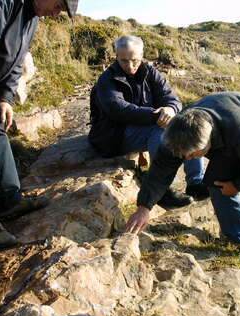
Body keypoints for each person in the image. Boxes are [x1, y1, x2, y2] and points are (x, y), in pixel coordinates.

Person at [0, 0, 79, 316]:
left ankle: (9, 199)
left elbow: (14, 59)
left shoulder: (32, 14)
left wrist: (5, 97)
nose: (57, 12)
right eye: (58, 4)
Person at [124, 91, 240, 275]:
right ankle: (239, 240)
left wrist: (238, 185)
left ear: (208, 142)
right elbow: (159, 171)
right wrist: (144, 207)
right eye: (184, 156)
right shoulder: (177, 132)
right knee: (217, 184)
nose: (188, 158)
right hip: (228, 127)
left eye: (193, 155)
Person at [88, 35, 208, 208]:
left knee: (185, 122)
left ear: (142, 55)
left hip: (139, 128)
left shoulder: (150, 72)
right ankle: (164, 189)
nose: (130, 66)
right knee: (159, 130)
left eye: (134, 60)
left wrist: (170, 109)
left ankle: (196, 183)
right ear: (116, 56)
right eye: (123, 61)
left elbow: (171, 98)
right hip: (113, 136)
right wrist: (157, 115)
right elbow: (119, 110)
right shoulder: (107, 79)